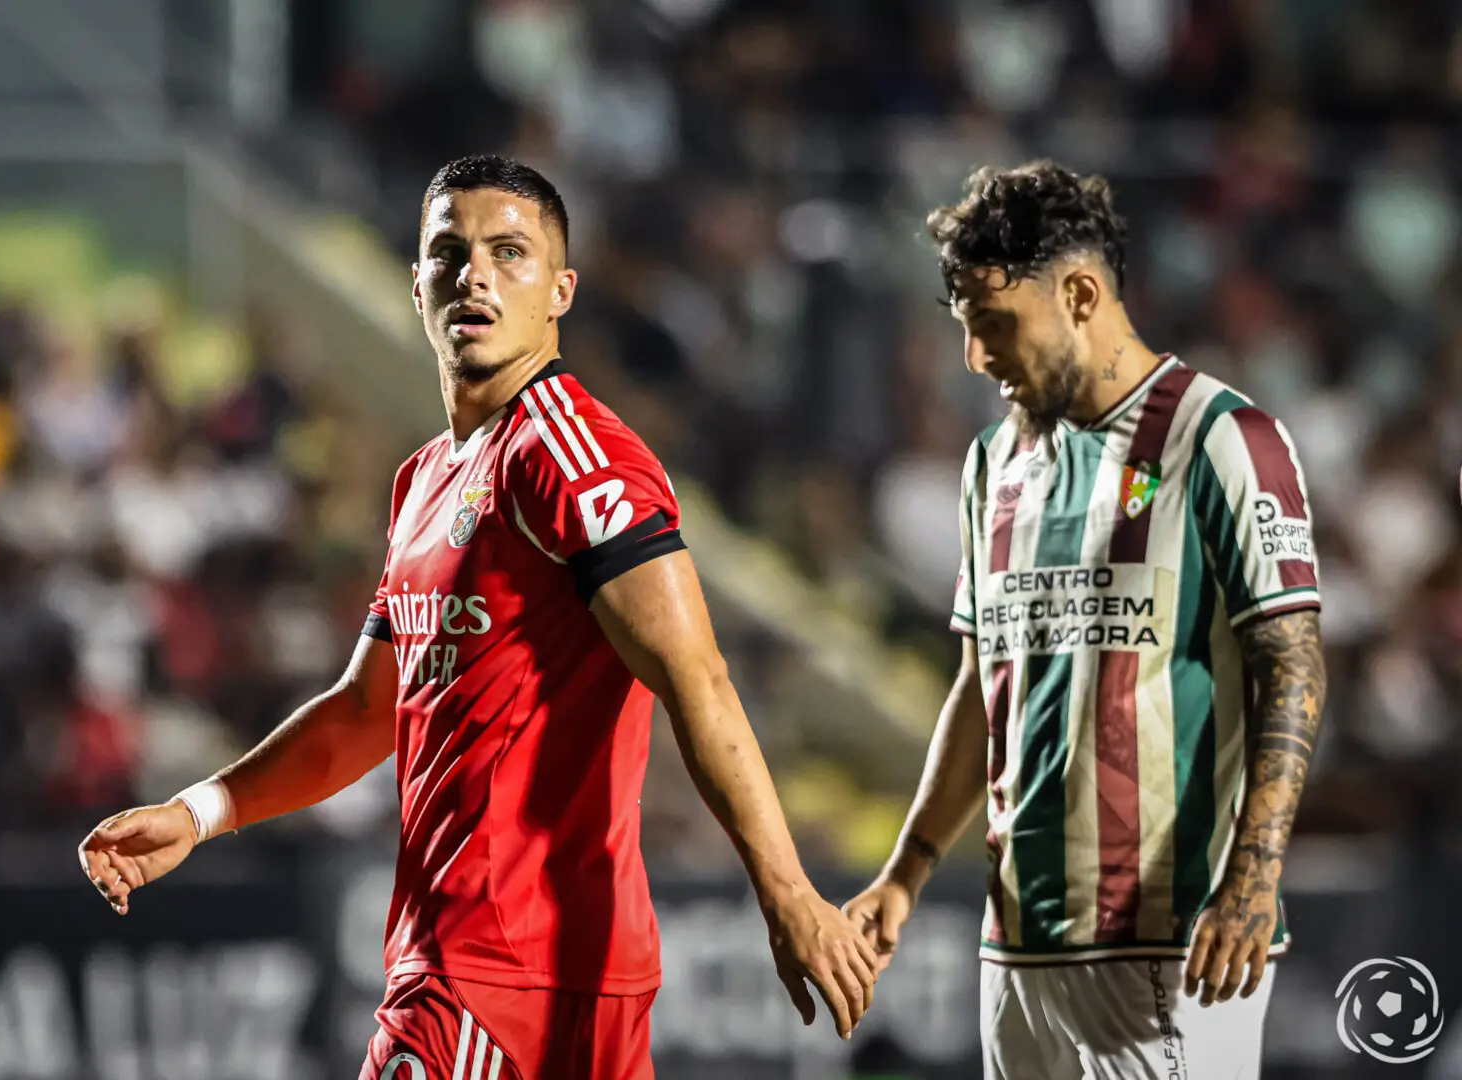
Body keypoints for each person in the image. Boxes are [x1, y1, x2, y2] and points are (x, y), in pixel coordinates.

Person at [79, 155, 877, 1078]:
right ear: (415, 281)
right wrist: (200, 810)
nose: (476, 277)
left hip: (495, 972)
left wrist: (787, 894)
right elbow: (365, 710)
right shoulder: (424, 480)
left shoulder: (570, 457)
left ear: (561, 291)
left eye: (510, 252)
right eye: (448, 253)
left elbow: (694, 676)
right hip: (525, 979)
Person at [844, 161, 1327, 1079]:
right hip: (1016, 946)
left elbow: (1292, 661)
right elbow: (982, 687)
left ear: (1079, 293)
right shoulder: (994, 463)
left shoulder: (1218, 436)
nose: (976, 360)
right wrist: (906, 872)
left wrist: (1255, 878)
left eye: (994, 325)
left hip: (1174, 944)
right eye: (964, 330)